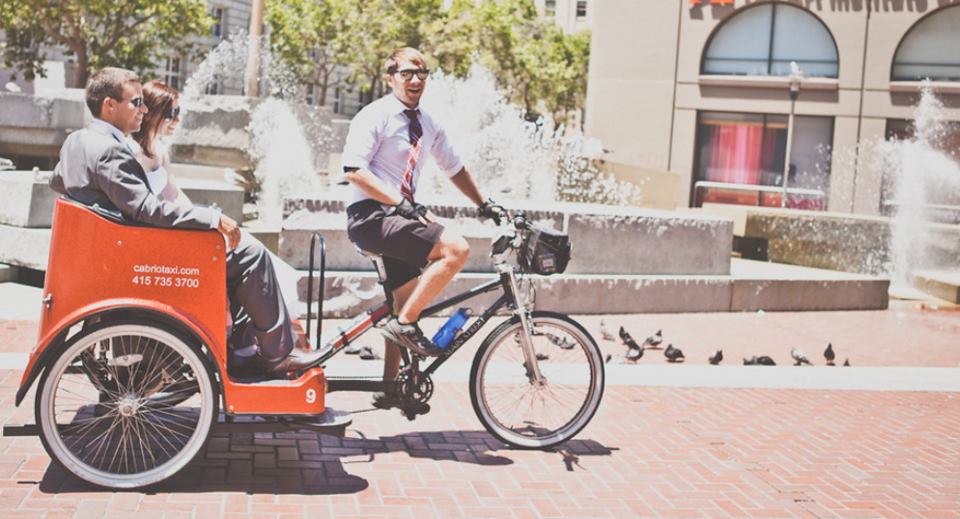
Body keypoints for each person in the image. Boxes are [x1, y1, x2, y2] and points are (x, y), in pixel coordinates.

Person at [50, 67, 321, 374]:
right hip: (140, 256)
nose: (143, 109)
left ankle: (238, 345)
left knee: (238, 254)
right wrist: (212, 218)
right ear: (109, 105)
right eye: (136, 102)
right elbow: (148, 209)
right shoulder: (109, 150)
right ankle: (276, 354)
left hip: (116, 251)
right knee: (251, 255)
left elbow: (58, 182)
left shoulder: (76, 142)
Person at [341, 48, 502, 408]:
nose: (415, 80)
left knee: (404, 303)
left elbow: (454, 167)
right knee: (456, 249)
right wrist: (401, 204)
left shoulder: (428, 123)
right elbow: (354, 170)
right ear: (390, 77)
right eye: (407, 73)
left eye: (422, 73)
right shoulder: (375, 115)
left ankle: (389, 388)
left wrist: (484, 203)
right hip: (371, 216)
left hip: (397, 218)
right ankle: (406, 324)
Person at [129, 80, 301, 315]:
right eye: (172, 113)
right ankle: (265, 333)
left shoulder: (159, 149)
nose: (177, 119)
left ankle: (264, 325)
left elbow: (174, 195)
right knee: (251, 253)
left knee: (250, 244)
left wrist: (207, 220)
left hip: (173, 229)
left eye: (179, 112)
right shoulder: (135, 153)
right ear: (154, 111)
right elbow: (148, 207)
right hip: (161, 236)